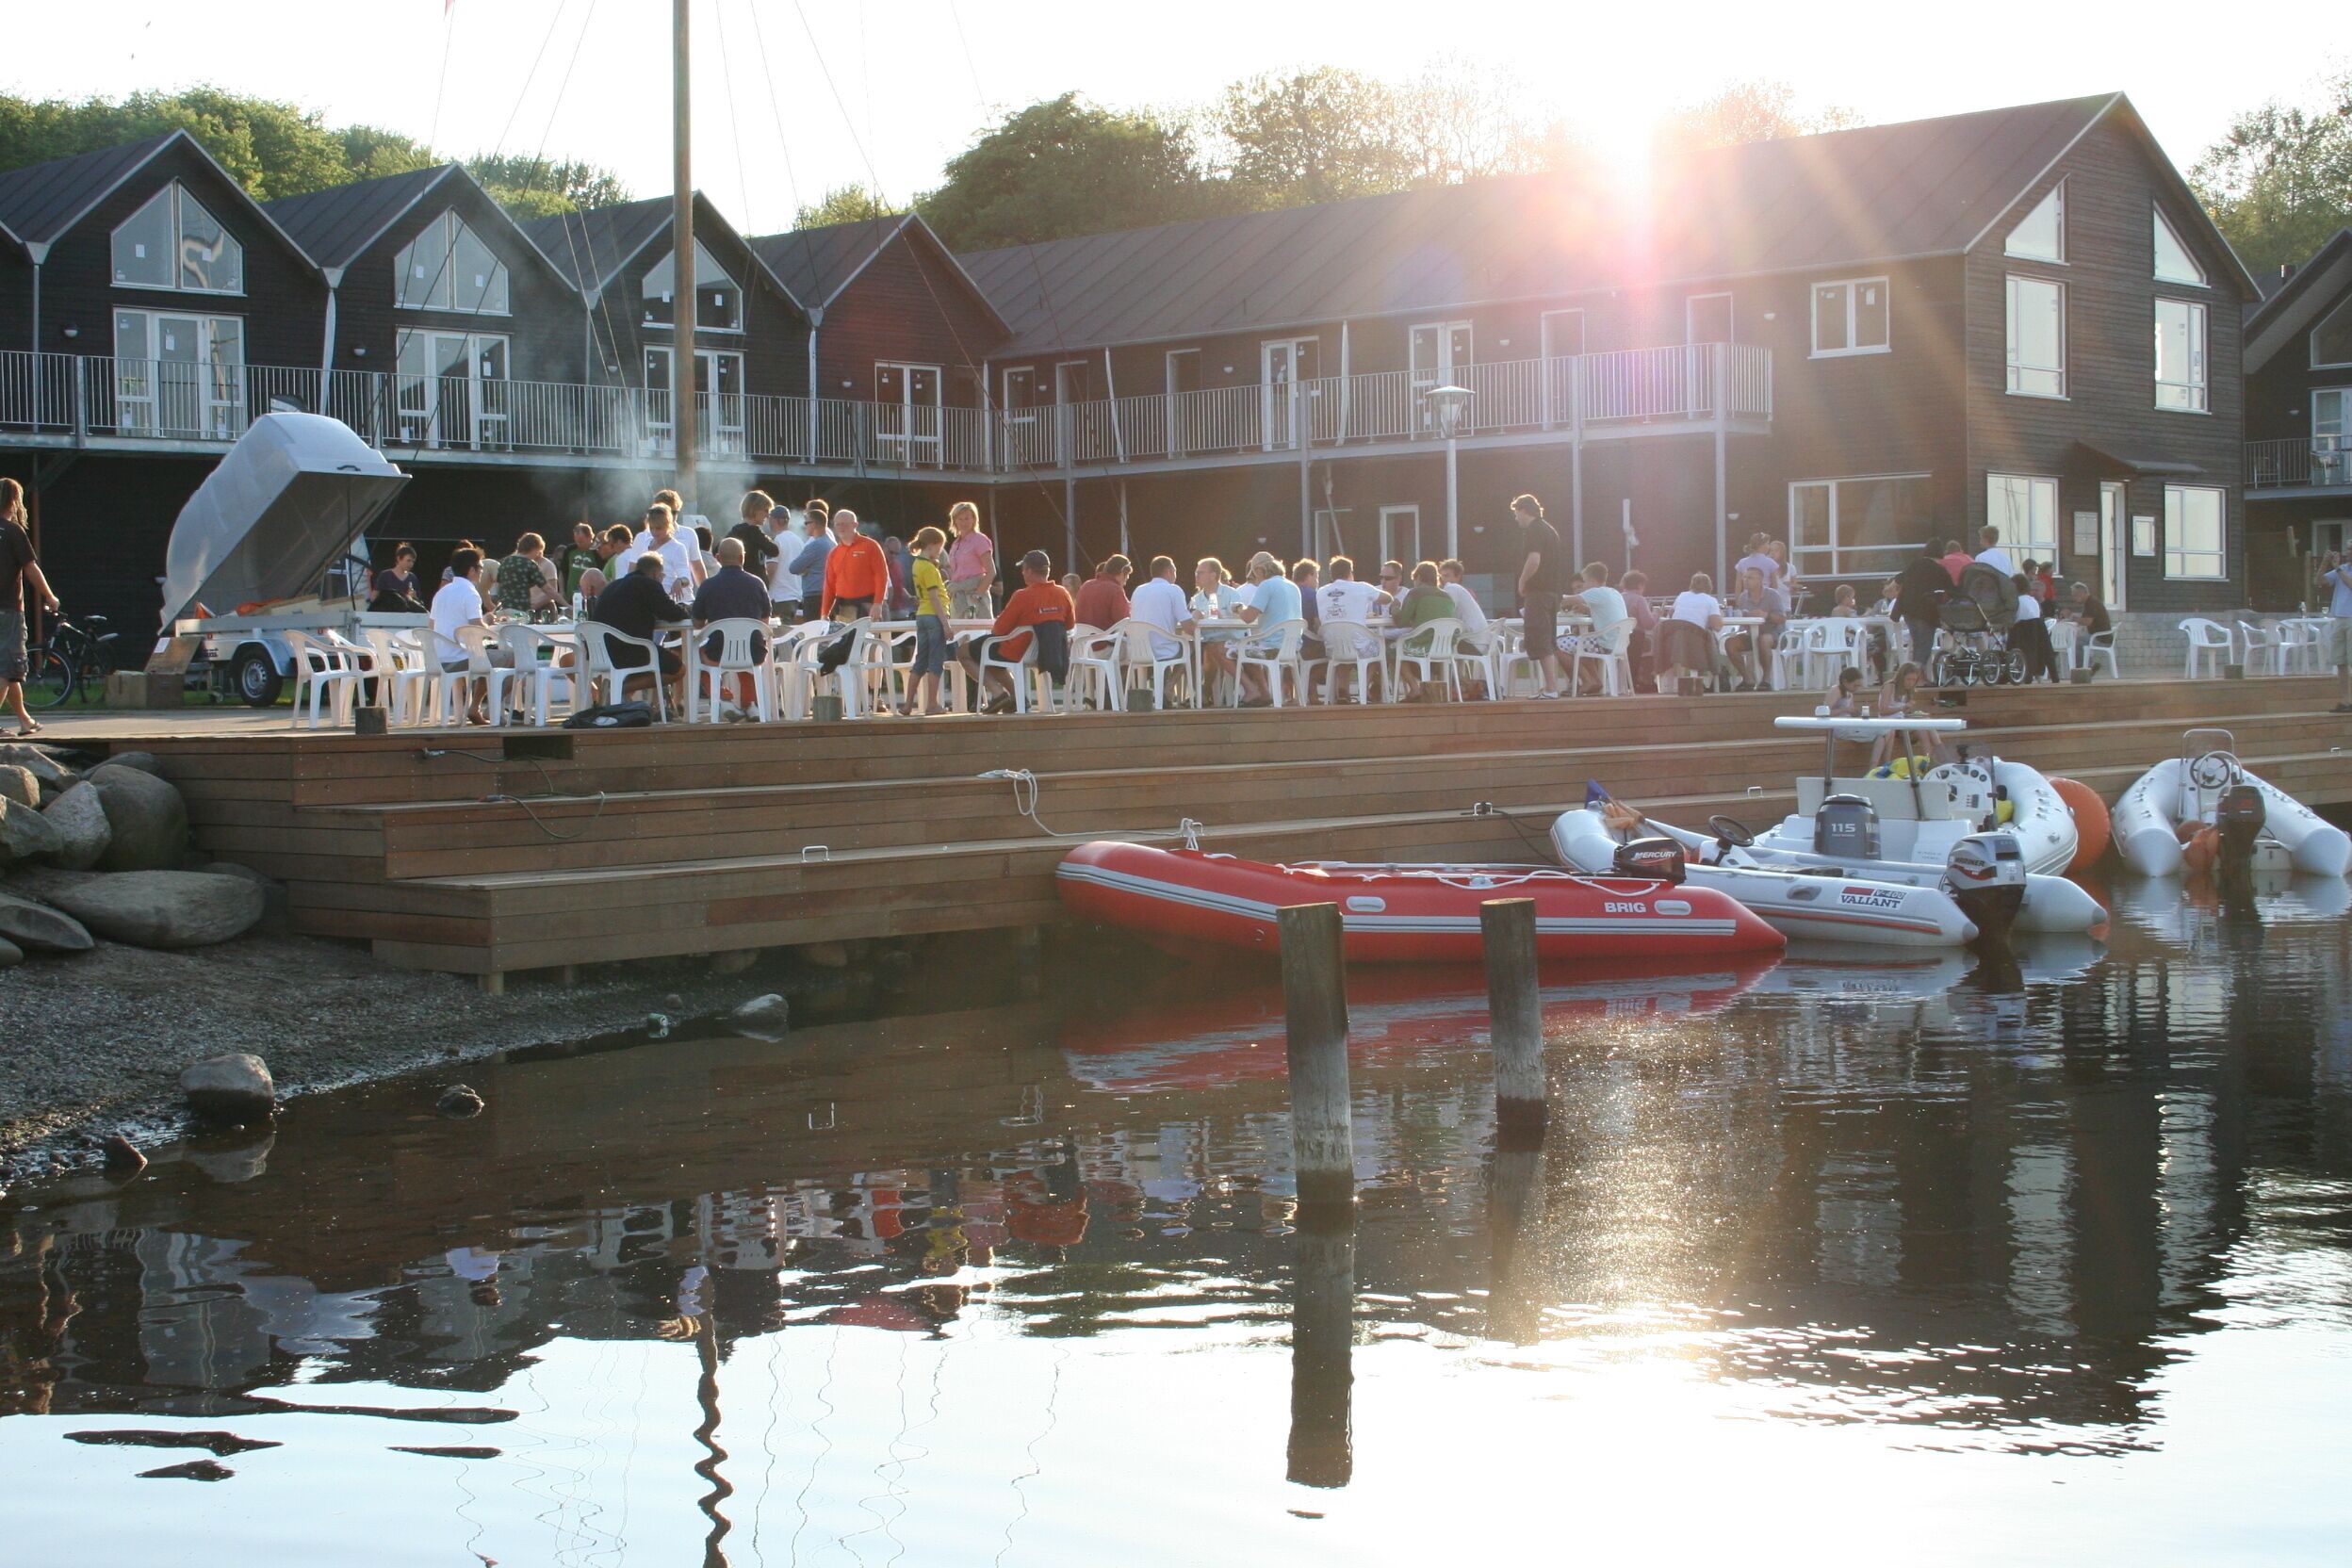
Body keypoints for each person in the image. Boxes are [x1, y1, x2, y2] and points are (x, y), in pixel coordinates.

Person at [957, 549, 1075, 713]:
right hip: (1049, 652)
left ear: (1028, 571)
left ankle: (998, 693)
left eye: (1023, 569)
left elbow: (999, 629)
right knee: (989, 653)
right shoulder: (1063, 593)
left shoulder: (1022, 596)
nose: (1022, 573)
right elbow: (1069, 625)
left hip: (1018, 650)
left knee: (964, 652)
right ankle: (1018, 698)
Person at [587, 549, 690, 710]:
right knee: (678, 669)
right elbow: (674, 613)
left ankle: (618, 693)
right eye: (661, 575)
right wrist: (685, 609)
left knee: (655, 659)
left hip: (601, 653)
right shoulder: (648, 584)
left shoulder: (613, 585)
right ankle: (620, 688)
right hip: (630, 651)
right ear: (656, 572)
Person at [0, 478, 59, 738]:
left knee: (7, 669)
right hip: (8, 610)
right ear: (14, 501)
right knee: (10, 668)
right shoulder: (13, 532)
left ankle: (25, 720)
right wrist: (49, 596)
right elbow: (30, 568)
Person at [690, 535, 774, 718]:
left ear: (718, 558)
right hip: (755, 652)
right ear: (742, 558)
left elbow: (697, 623)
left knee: (695, 653)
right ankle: (751, 705)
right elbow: (764, 622)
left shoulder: (708, 586)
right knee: (746, 656)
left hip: (717, 652)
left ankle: (722, 700)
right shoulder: (757, 583)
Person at [430, 546, 498, 726]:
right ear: (472, 570)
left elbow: (431, 626)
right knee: (512, 659)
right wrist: (488, 620)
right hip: (461, 657)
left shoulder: (441, 593)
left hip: (440, 657)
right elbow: (477, 627)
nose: (482, 572)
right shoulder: (470, 593)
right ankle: (478, 708)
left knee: (486, 658)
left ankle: (477, 708)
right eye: (481, 568)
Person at [1226, 551, 1301, 706]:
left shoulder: (1267, 585)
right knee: (1248, 645)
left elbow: (1248, 617)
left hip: (1272, 646)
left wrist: (1239, 608)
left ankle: (1254, 690)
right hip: (1292, 646)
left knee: (1225, 649)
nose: (1255, 579)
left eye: (1254, 574)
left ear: (1260, 570)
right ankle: (1263, 692)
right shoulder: (1292, 586)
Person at [1512, 493, 1567, 698]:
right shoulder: (1549, 530)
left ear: (1524, 510)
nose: (1516, 518)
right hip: (1553, 592)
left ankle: (1551, 688)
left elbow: (1534, 560)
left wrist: (1522, 581)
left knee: (1540, 637)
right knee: (1548, 638)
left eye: (1516, 513)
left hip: (1539, 592)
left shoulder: (1534, 531)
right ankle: (1550, 687)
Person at [905, 526, 954, 716]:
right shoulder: (930, 569)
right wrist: (946, 624)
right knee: (935, 662)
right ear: (932, 545)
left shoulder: (917, 564)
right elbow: (935, 597)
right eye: (940, 547)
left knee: (920, 662)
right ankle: (932, 704)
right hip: (934, 616)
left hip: (921, 615)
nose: (940, 552)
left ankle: (908, 704)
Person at [1129, 555, 1192, 689]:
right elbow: (1188, 627)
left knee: (1172, 643)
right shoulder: (1173, 590)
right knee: (1190, 648)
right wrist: (1198, 616)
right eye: (1175, 571)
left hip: (1138, 650)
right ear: (1169, 571)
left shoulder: (1138, 590)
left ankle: (1161, 693)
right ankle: (1168, 689)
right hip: (1163, 650)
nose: (1176, 575)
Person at [1660, 571, 1726, 692]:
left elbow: (1671, 615)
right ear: (1709, 586)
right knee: (1710, 639)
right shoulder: (1710, 600)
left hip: (1674, 642)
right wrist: (1720, 614)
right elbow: (1717, 626)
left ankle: (1676, 685)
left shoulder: (1682, 596)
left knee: (1699, 637)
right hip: (1695, 644)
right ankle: (1711, 682)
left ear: (1691, 585)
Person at [1727, 564, 1788, 691]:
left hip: (1773, 634)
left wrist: (1766, 615)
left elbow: (1782, 618)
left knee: (1763, 640)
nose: (1745, 581)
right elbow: (1742, 620)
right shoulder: (1743, 597)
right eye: (1744, 578)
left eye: (1750, 578)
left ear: (1760, 580)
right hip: (1750, 633)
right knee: (1730, 643)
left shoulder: (1772, 595)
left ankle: (1766, 680)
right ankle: (1748, 678)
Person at [820, 507, 889, 620]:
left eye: (845, 524)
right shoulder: (834, 553)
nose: (841, 527)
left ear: (855, 525)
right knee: (845, 638)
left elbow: (881, 576)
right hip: (844, 609)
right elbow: (829, 585)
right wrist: (824, 614)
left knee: (870, 637)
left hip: (868, 606)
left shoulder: (871, 546)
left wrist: (878, 603)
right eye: (838, 524)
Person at [1895, 547, 1952, 669]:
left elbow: (1899, 578)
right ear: (1939, 556)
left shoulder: (1915, 564)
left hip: (1908, 610)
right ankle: (1918, 677)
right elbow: (1951, 588)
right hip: (1926, 612)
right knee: (1925, 645)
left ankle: (1914, 676)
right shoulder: (1939, 569)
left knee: (1917, 644)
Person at [945, 500, 997, 619]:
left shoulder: (980, 540)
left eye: (967, 518)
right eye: (960, 519)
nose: (964, 522)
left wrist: (977, 595)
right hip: (958, 596)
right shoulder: (955, 544)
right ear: (955, 521)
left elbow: (991, 572)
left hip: (974, 593)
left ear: (974, 519)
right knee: (960, 636)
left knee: (978, 635)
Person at [1872, 660, 1930, 764]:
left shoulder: (1908, 689)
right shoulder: (1890, 686)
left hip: (1900, 721)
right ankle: (1932, 758)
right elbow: (1883, 710)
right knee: (1923, 726)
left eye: (1914, 680)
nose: (1911, 682)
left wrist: (1909, 711)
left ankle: (1928, 761)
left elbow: (1902, 712)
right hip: (1888, 722)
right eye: (1908, 679)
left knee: (1926, 723)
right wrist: (1903, 707)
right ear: (1901, 676)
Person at [725, 491, 782, 590]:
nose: (768, 515)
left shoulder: (735, 531)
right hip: (751, 588)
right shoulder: (753, 532)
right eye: (766, 510)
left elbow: (717, 551)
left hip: (739, 586)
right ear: (755, 509)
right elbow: (774, 550)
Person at [2008, 571, 2056, 683]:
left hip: (2019, 636)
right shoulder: (2033, 601)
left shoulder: (2016, 602)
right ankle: (2043, 675)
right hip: (2037, 637)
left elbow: (2013, 619)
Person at [790, 502, 834, 622]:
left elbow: (793, 568)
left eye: (806, 523)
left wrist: (805, 570)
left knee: (813, 635)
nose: (805, 526)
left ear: (814, 524)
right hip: (828, 594)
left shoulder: (814, 545)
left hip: (814, 596)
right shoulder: (832, 543)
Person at [494, 532, 555, 619]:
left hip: (508, 609)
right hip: (522, 611)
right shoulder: (529, 564)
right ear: (534, 549)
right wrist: (567, 605)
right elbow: (551, 591)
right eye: (538, 551)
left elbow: (499, 585)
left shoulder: (506, 562)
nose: (539, 554)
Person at [2322, 550, 2352, 713]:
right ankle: (2346, 701)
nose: (2348, 553)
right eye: (2348, 549)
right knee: (2341, 661)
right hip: (2339, 618)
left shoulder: (2342, 571)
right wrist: (2324, 564)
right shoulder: (2342, 568)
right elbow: (2319, 581)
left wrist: (2338, 569)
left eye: (2351, 549)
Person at [1620, 569, 1658, 692]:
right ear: (1640, 585)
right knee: (1641, 655)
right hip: (1635, 636)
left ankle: (1621, 684)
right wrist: (1656, 614)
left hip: (1617, 636)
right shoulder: (1639, 599)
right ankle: (1636, 683)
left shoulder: (1619, 598)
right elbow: (1648, 624)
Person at [1073, 554, 1133, 629]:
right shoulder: (1115, 590)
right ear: (1122, 573)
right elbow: (1123, 622)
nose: (1127, 578)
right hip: (1104, 639)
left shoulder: (1086, 585)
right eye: (1127, 575)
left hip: (1081, 639)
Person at [373, 543, 423, 608]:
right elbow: (374, 596)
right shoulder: (385, 575)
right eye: (408, 561)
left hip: (407, 614)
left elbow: (419, 602)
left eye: (413, 561)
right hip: (388, 612)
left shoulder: (413, 578)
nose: (411, 564)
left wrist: (414, 596)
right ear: (399, 559)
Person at [883, 534, 915, 618]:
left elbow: (899, 586)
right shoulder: (878, 564)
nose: (893, 556)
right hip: (885, 609)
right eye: (891, 552)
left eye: (896, 554)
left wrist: (909, 597)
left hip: (900, 609)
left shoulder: (897, 564)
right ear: (884, 548)